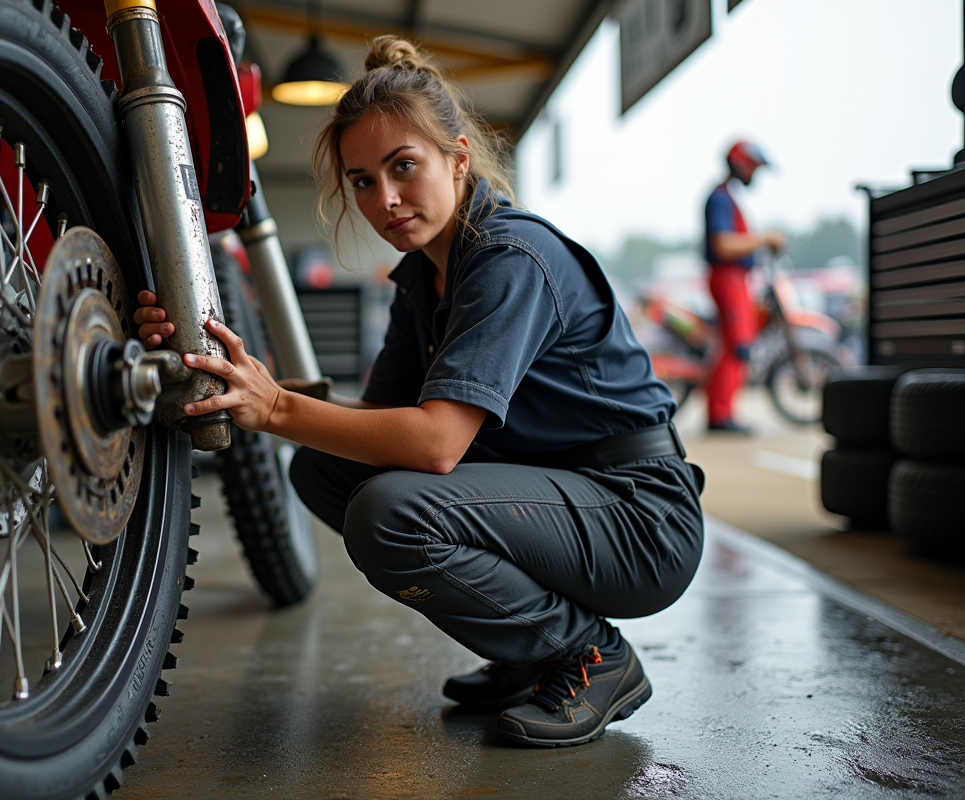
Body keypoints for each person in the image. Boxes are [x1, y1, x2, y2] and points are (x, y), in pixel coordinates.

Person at [134, 36, 705, 748]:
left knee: (390, 514)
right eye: (363, 181)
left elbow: (435, 446)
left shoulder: (509, 258)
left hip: (638, 518)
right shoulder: (424, 277)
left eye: (404, 167)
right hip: (561, 495)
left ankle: (587, 653)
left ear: (458, 159)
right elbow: (378, 423)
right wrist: (239, 375)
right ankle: (528, 653)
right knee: (325, 470)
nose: (386, 199)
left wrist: (276, 407)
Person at [703, 141, 786, 434]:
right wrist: (764, 239)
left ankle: (720, 412)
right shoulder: (720, 199)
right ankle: (721, 415)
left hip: (736, 279)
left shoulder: (727, 198)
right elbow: (723, 244)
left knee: (730, 345)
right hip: (728, 278)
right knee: (736, 347)